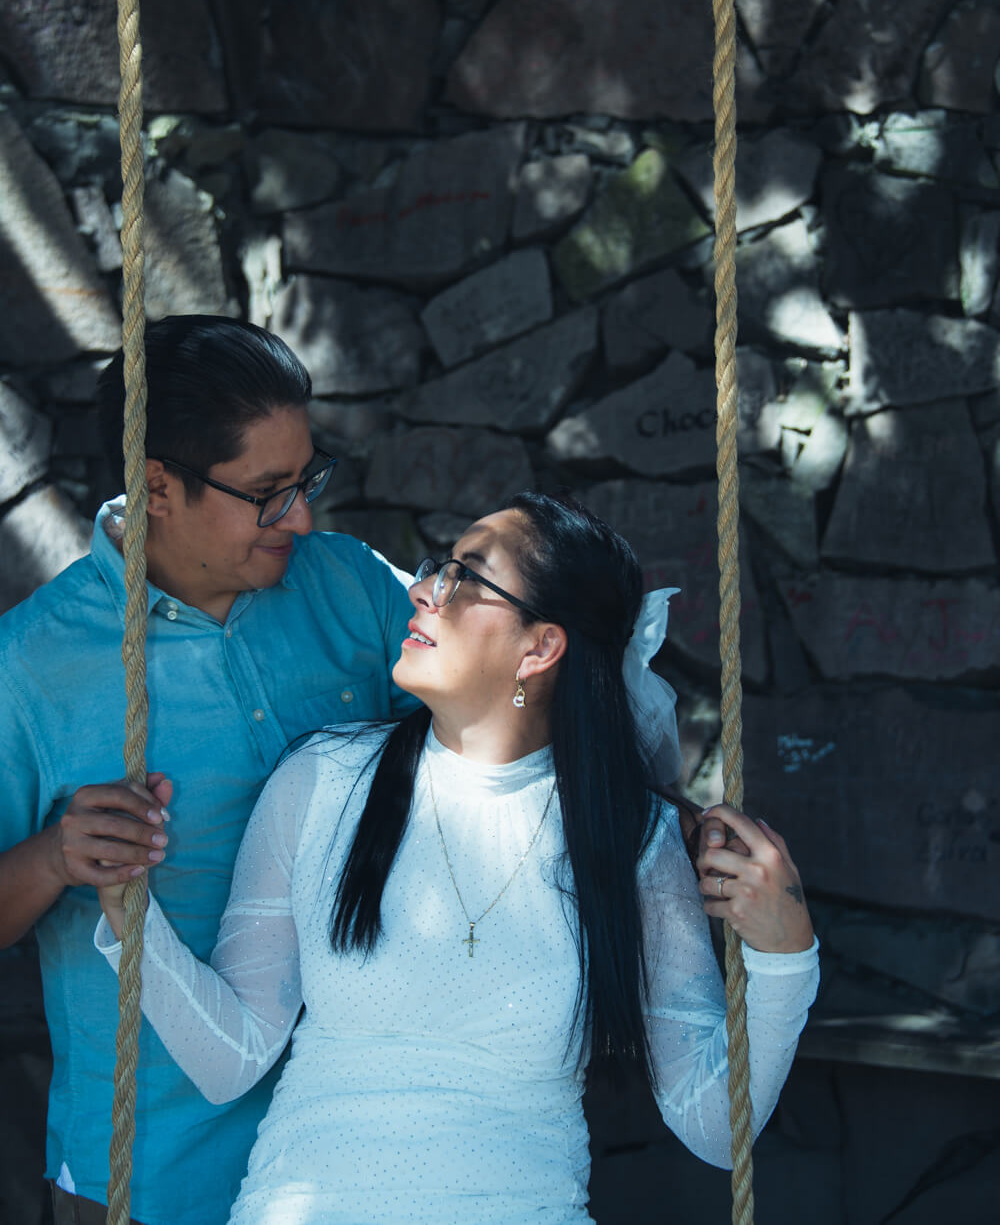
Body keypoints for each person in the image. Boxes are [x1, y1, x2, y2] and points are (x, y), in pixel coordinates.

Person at [96, 492, 819, 1225]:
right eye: (436, 568)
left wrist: (785, 957)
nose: (422, 592)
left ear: (540, 648)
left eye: (465, 577)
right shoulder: (321, 781)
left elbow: (716, 1128)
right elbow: (232, 1059)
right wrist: (129, 913)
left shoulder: (633, 838)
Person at [0, 316, 418, 1225]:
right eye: (267, 493)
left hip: (369, 1160)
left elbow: (500, 751)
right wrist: (53, 858)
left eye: (306, 479)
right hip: (153, 1177)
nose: (301, 517)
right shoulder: (28, 666)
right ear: (157, 485)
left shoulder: (353, 586)